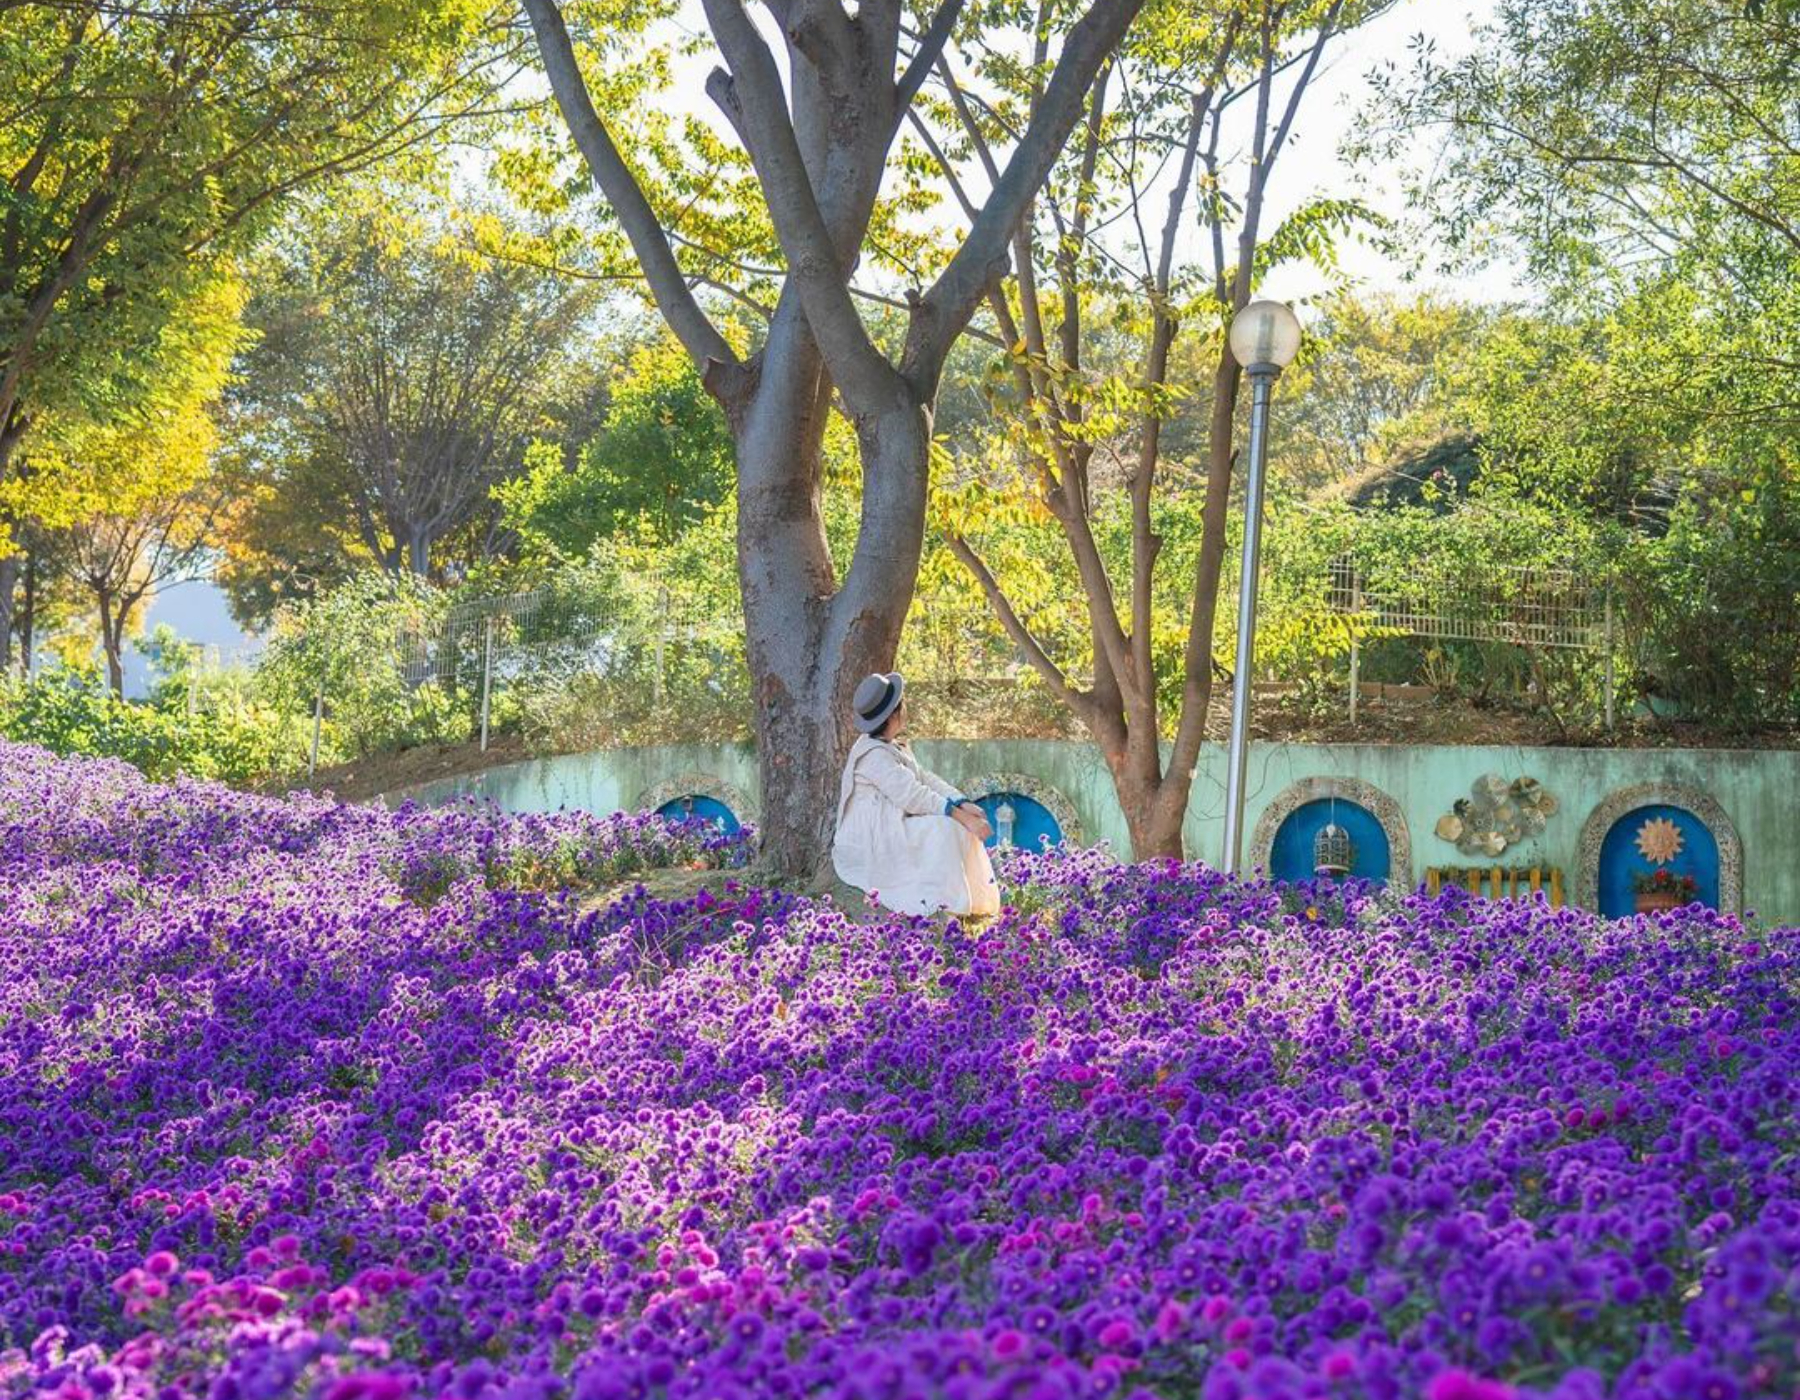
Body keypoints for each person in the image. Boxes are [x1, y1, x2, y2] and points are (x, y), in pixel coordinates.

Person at [832, 672, 1001, 918]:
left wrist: (962, 803)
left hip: (894, 820)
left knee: (955, 826)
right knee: (944, 829)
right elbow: (911, 795)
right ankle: (945, 905)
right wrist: (960, 816)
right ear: (893, 715)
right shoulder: (872, 755)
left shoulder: (891, 746)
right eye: (902, 704)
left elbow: (924, 778)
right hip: (872, 836)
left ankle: (973, 905)